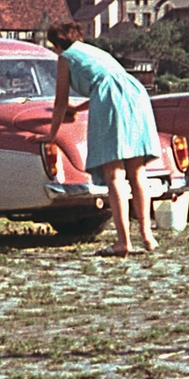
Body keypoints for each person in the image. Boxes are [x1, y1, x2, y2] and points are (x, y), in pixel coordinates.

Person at [44, 22, 162, 256]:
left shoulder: (66, 58)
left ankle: (123, 242)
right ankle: (147, 237)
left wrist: (51, 134)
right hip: (135, 95)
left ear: (57, 44)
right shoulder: (96, 51)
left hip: (111, 100)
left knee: (114, 174)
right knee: (136, 171)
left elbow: (60, 102)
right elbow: (110, 82)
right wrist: (81, 107)